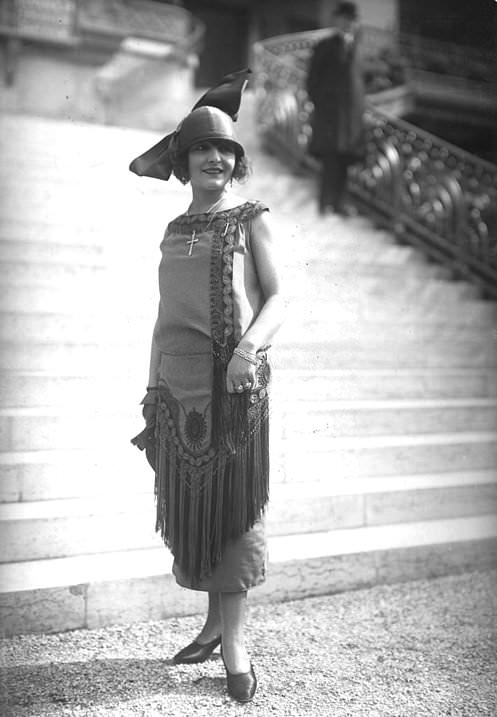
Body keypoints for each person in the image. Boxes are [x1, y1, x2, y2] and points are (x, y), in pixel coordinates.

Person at [129, 69, 285, 704]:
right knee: (194, 505)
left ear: (236, 162)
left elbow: (278, 299)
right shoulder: (172, 230)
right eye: (201, 149)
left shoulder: (253, 219)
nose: (215, 158)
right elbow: (162, 318)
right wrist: (149, 387)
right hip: (177, 388)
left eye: (225, 150)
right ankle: (214, 625)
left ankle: (236, 642)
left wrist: (249, 349)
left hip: (236, 383)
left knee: (231, 510)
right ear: (183, 160)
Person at [306, 1, 365, 215]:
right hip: (330, 114)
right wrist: (322, 104)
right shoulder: (325, 45)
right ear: (337, 20)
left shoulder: (357, 49)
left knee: (345, 160)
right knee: (330, 159)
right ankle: (324, 203)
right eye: (344, 19)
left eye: (352, 20)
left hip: (351, 117)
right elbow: (312, 80)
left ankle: (339, 203)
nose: (348, 24)